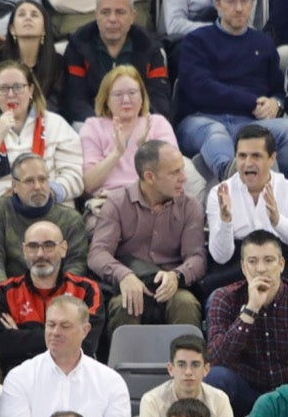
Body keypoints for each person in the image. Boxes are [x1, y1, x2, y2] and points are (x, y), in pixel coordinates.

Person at [177, 0, 288, 181]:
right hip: (203, 119)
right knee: (216, 134)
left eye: (244, 1)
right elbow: (200, 88)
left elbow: (277, 90)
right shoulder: (196, 41)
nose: (238, 8)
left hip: (249, 123)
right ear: (217, 3)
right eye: (230, 1)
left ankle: (282, 190)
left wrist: (275, 104)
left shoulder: (263, 42)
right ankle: (232, 178)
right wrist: (251, 101)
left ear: (252, 1)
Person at [205, 229, 288, 417]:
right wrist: (250, 309)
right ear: (243, 267)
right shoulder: (224, 298)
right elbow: (214, 359)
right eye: (253, 261)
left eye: (269, 260)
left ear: (281, 264)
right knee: (215, 378)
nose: (261, 269)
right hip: (246, 391)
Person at [0, 296, 130, 417]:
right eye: (50, 325)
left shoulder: (111, 381)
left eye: (65, 326)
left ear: (85, 330)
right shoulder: (19, 377)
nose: (55, 332)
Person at [88, 140, 205, 332]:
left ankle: (185, 362)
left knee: (185, 303)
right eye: (174, 172)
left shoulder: (189, 205)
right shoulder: (117, 203)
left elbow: (197, 257)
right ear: (149, 177)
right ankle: (123, 363)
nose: (183, 178)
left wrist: (177, 276)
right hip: (131, 282)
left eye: (182, 170)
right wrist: (124, 275)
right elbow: (98, 253)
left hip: (171, 285)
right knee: (125, 304)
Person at [204, 124, 288, 295]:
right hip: (237, 267)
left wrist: (278, 222)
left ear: (272, 158)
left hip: (284, 265)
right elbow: (221, 257)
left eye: (256, 156)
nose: (248, 163)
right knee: (216, 298)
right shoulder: (220, 192)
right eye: (242, 156)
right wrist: (226, 221)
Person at [0, 61, 81, 209]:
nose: (11, 94)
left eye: (17, 87)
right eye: (3, 88)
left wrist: (43, 193)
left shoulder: (56, 124)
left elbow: (75, 176)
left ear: (30, 90)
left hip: (48, 204)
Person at [0, 220, 103, 373]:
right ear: (24, 250)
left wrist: (20, 336)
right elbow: (4, 346)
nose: (40, 254)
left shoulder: (87, 290)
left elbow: (87, 345)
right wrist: (66, 335)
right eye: (33, 246)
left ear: (63, 249)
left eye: (48, 245)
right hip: (23, 378)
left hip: (75, 376)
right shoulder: (5, 291)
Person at [0, 151, 90, 294]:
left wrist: (59, 297)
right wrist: (6, 294)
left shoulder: (70, 219)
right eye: (29, 181)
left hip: (58, 295)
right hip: (11, 292)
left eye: (42, 179)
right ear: (14, 186)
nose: (37, 186)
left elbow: (76, 265)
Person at [64, 0, 172, 125]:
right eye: (105, 12)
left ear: (133, 16)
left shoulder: (150, 48)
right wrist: (102, 126)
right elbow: (75, 99)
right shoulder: (77, 46)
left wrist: (134, 124)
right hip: (92, 123)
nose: (112, 19)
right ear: (96, 15)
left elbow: (159, 100)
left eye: (120, 12)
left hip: (138, 122)